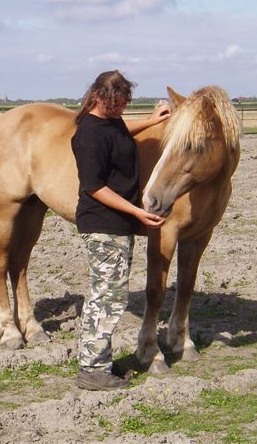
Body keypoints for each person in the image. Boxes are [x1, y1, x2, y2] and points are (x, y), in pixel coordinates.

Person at [70, 70, 171, 391]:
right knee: (106, 298)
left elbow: (119, 131)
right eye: (115, 105)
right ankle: (92, 369)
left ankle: (98, 363)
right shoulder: (87, 134)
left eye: (124, 104)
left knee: (111, 295)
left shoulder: (109, 122)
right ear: (98, 97)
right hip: (102, 225)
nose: (121, 110)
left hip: (117, 226)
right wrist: (137, 211)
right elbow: (94, 187)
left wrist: (153, 120)